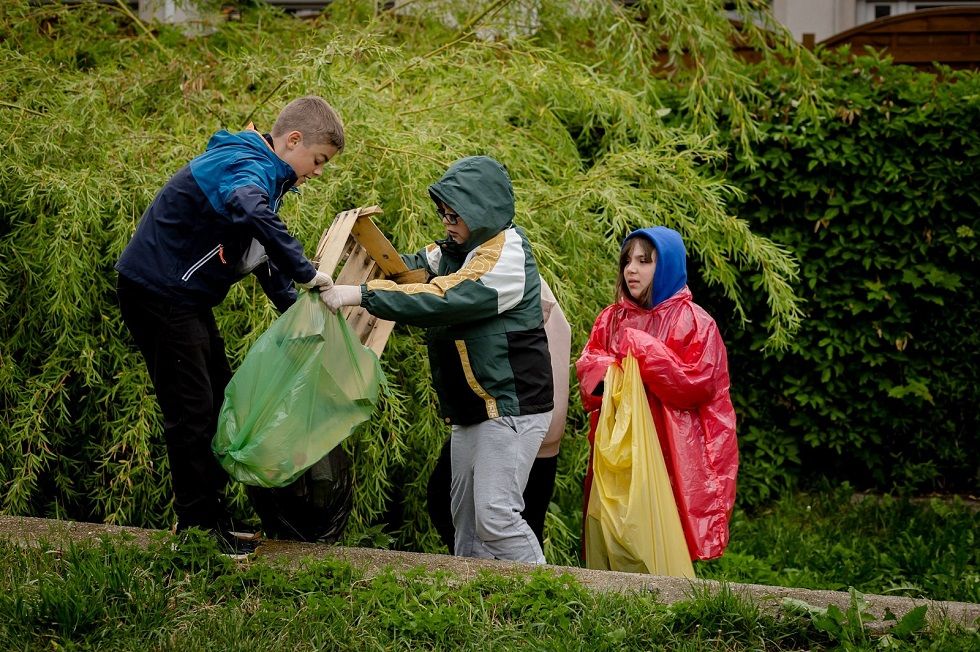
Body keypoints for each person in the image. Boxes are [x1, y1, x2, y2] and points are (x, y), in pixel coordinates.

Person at [115, 96, 343, 552]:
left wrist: (295, 314)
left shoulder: (265, 172)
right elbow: (253, 211)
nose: (318, 171)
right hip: (158, 294)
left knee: (220, 404)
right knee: (192, 412)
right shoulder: (243, 166)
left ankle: (211, 517)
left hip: (185, 300)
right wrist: (307, 271)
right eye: (318, 160)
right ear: (293, 140)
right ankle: (198, 530)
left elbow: (258, 251)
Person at [321, 156, 554, 564]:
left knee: (496, 517)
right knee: (464, 522)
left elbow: (445, 297)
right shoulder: (456, 247)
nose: (446, 222)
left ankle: (551, 603)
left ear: (480, 211)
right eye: (443, 213)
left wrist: (356, 293)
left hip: (511, 405)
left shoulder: (508, 257)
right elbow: (409, 268)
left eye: (453, 215)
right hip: (472, 408)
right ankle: (481, 610)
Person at [576, 227, 738, 562]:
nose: (631, 269)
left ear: (666, 265)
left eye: (644, 261)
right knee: (620, 523)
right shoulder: (611, 319)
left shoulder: (695, 322)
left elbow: (695, 384)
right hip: (623, 445)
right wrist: (616, 373)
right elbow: (590, 383)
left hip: (676, 446)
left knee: (669, 529)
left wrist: (642, 352)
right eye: (627, 261)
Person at [425, 278, 570, 553]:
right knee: (467, 510)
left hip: (515, 423)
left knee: (502, 520)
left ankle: (538, 586)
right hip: (508, 420)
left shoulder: (512, 279)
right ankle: (495, 582)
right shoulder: (506, 274)